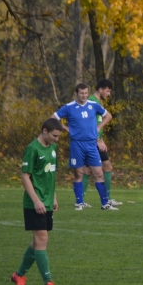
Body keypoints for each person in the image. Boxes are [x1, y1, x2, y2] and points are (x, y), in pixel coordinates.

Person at [11, 118, 64, 285]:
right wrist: (36, 200)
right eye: (54, 136)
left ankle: (19, 275)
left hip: (47, 201)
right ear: (44, 131)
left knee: (36, 243)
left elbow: (51, 174)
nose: (57, 139)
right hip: (35, 202)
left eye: (58, 136)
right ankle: (48, 282)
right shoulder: (32, 149)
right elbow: (25, 177)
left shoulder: (54, 148)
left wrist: (54, 197)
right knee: (42, 240)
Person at [51, 83, 117, 211]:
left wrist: (98, 127)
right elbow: (53, 118)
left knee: (99, 173)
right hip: (77, 144)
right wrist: (65, 128)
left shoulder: (93, 105)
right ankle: (79, 203)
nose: (84, 95)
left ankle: (105, 204)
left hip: (92, 144)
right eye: (81, 93)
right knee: (78, 173)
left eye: (86, 93)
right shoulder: (69, 107)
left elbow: (108, 116)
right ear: (76, 93)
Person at [80, 79, 121, 208]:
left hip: (95, 140)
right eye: (108, 91)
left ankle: (82, 201)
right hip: (92, 141)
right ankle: (103, 199)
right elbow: (90, 124)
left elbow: (98, 124)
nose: (109, 94)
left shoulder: (96, 101)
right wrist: (98, 140)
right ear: (101, 89)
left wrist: (101, 139)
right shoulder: (92, 101)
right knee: (103, 167)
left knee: (89, 170)